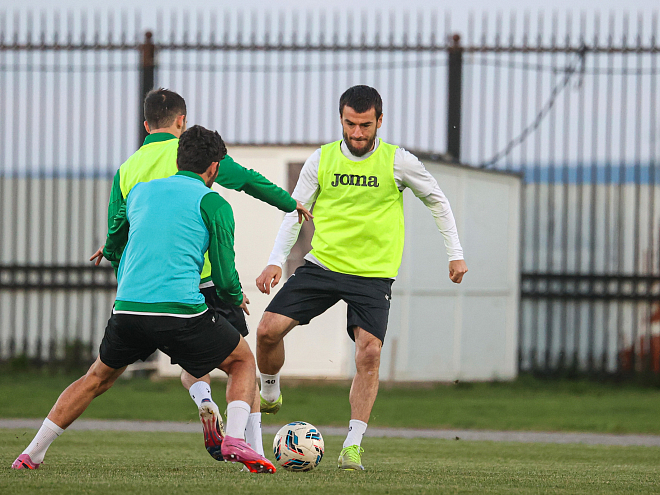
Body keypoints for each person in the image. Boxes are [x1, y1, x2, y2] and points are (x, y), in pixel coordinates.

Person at [12, 125, 275, 474]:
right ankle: (236, 439)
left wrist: (112, 251)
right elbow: (225, 276)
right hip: (181, 313)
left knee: (95, 378)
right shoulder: (214, 203)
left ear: (179, 159)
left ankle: (31, 453)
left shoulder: (139, 191)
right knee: (241, 361)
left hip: (128, 310)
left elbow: (114, 238)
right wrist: (235, 296)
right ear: (215, 167)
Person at [255, 85, 468, 471]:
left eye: (365, 125)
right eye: (350, 124)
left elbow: (437, 200)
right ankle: (270, 392)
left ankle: (352, 446)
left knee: (369, 353)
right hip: (323, 266)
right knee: (267, 331)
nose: (356, 132)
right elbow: (294, 210)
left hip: (372, 276)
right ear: (341, 119)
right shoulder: (321, 159)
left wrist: (455, 254)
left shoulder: (398, 161)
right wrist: (275, 261)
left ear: (379, 121)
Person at [105, 88, 311, 460]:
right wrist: (289, 202)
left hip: (158, 287)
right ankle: (253, 448)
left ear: (146, 125)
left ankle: (203, 399)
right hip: (208, 279)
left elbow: (118, 230)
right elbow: (248, 180)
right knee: (241, 363)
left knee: (191, 364)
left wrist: (110, 254)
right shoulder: (195, 154)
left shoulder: (128, 168)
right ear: (182, 121)